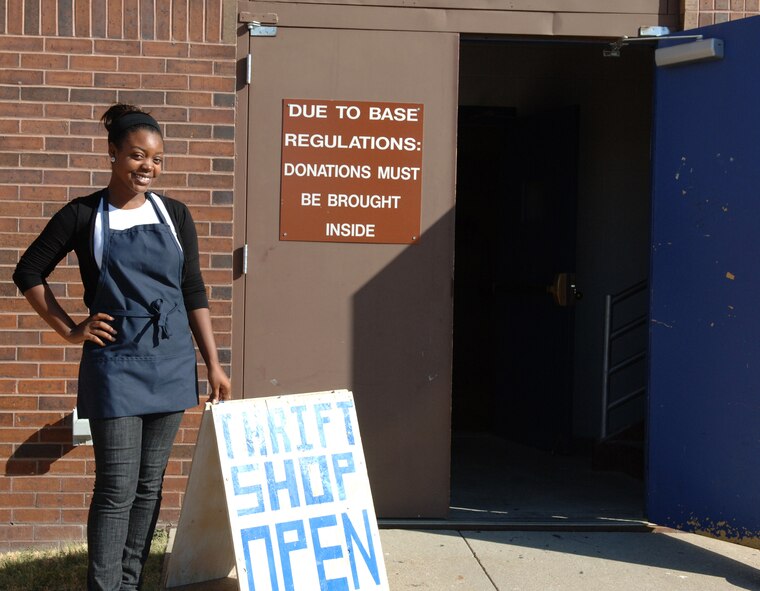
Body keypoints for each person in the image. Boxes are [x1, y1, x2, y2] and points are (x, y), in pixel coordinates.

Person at [13, 103, 231, 590]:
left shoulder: (174, 214)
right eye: (137, 156)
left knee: (150, 487)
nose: (147, 168)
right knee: (116, 487)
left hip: (172, 362)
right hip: (114, 365)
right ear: (113, 154)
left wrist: (214, 363)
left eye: (156, 159)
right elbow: (28, 271)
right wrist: (71, 329)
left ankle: (130, 584)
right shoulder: (83, 214)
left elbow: (192, 290)